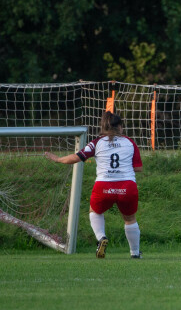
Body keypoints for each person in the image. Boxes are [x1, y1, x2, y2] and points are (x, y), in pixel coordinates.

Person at [45, 111, 143, 259]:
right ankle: (135, 253)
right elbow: (138, 168)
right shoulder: (130, 142)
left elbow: (76, 157)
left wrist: (58, 159)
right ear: (120, 127)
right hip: (127, 186)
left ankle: (101, 237)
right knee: (129, 219)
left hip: (103, 186)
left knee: (95, 211)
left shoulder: (96, 143)